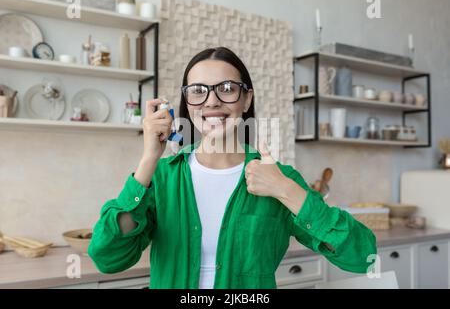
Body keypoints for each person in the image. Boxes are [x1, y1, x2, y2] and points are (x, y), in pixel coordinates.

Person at [88, 46, 377, 289]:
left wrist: (288, 191)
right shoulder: (161, 177)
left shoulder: (280, 180)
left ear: (246, 99)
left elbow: (363, 257)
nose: (212, 101)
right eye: (198, 91)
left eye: (227, 89)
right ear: (187, 103)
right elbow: (108, 256)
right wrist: (149, 159)